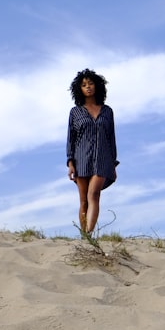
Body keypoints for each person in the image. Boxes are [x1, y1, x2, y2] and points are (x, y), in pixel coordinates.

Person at [66, 69, 119, 237]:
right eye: (83, 85)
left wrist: (113, 163)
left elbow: (111, 138)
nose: (88, 87)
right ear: (79, 89)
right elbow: (71, 139)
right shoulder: (75, 112)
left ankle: (88, 233)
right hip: (81, 159)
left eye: (90, 84)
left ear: (97, 86)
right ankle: (84, 236)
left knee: (94, 194)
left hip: (103, 160)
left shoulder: (107, 111)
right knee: (83, 201)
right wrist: (70, 163)